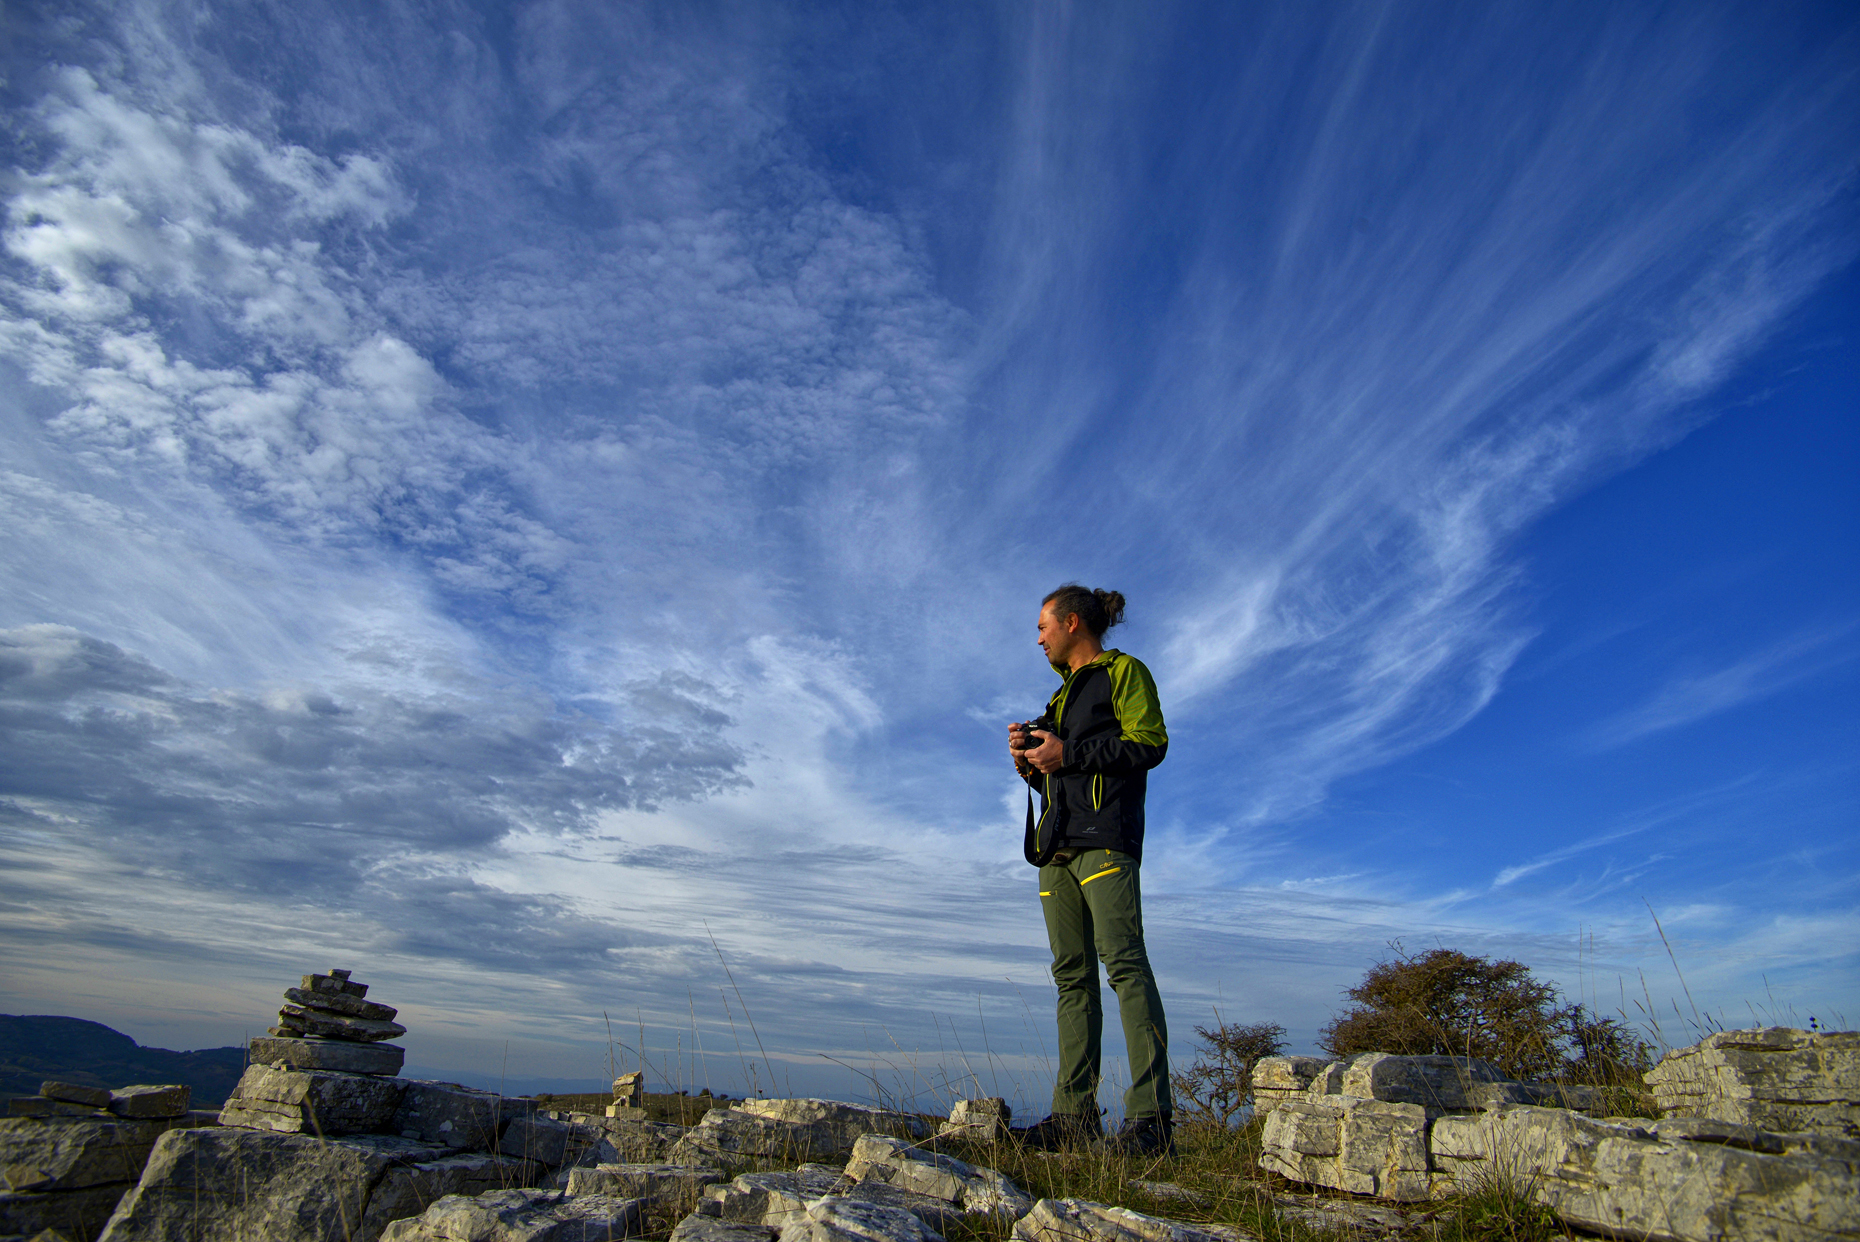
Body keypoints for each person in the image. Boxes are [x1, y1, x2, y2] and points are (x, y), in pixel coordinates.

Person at [1009, 583, 1174, 1156]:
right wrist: (1032, 762)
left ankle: (1152, 1122)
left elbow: (1150, 743)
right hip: (1056, 850)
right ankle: (1073, 1116)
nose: (1038, 638)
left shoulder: (1125, 672)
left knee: (1125, 966)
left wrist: (1069, 754)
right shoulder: (1057, 702)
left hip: (1106, 840)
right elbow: (1060, 772)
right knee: (1071, 979)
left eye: (1041, 627)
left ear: (1072, 622)